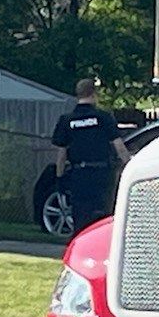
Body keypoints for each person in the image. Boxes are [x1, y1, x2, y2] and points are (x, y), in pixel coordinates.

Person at [52, 78, 130, 233]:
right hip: (101, 174)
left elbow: (61, 155)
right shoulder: (103, 118)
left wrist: (59, 178)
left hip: (79, 175)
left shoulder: (67, 121)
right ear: (94, 94)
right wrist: (129, 165)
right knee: (102, 216)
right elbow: (120, 148)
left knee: (80, 215)